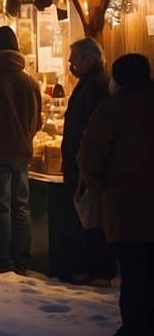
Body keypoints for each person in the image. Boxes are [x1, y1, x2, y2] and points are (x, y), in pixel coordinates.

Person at [80, 54, 154, 336]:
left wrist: (96, 185)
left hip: (127, 204)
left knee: (134, 270)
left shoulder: (112, 110)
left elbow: (91, 154)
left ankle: (136, 330)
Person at [0, 26, 42, 275]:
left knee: (0, 205)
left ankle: (4, 260)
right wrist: (27, 136)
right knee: (21, 205)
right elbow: (39, 119)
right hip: (22, 152)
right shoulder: (30, 81)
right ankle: (22, 260)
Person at [61, 38, 117, 286]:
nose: (70, 64)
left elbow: (93, 129)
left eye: (74, 59)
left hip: (87, 164)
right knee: (87, 221)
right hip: (81, 162)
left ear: (89, 60)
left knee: (93, 221)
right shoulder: (90, 84)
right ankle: (92, 268)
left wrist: (86, 162)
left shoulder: (95, 86)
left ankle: (100, 272)